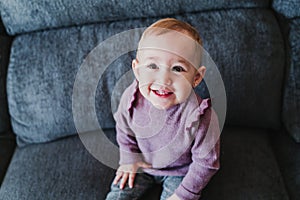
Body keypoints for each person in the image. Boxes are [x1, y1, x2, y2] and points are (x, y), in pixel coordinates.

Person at [105, 18, 220, 200]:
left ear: (196, 77)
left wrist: (185, 193)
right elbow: (123, 126)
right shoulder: (132, 97)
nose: (164, 79)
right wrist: (128, 159)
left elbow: (206, 163)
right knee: (118, 194)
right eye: (152, 66)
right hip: (142, 165)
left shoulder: (201, 116)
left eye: (177, 68)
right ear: (137, 70)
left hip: (181, 171)